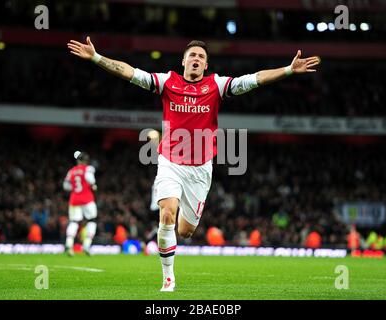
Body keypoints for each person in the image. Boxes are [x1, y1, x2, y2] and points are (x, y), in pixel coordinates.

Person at [67, 37, 320, 291]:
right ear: (184, 61)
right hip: (169, 162)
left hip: (200, 169)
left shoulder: (216, 85)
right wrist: (97, 58)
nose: (196, 59)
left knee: (186, 231)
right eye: (192, 55)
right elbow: (130, 72)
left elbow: (254, 79)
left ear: (206, 64)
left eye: (201, 56)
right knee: (167, 213)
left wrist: (288, 70)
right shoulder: (168, 82)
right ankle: (168, 278)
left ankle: (176, 231)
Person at [63, 151, 98, 256]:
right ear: (86, 161)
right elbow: (91, 180)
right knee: (92, 221)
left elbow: (66, 186)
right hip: (87, 199)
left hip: (74, 199)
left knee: (74, 222)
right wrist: (93, 186)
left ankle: (69, 244)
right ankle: (87, 245)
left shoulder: (71, 171)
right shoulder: (88, 169)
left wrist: (74, 188)